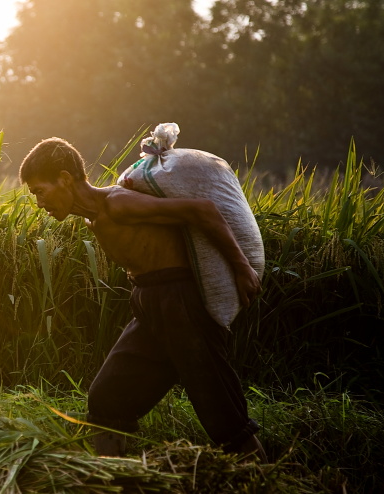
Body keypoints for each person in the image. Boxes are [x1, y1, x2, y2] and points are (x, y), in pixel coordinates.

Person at [19, 137, 267, 461]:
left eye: (40, 191)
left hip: (180, 303)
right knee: (107, 400)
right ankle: (113, 480)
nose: (39, 202)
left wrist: (241, 268)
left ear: (65, 179)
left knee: (222, 414)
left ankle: (267, 478)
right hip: (149, 303)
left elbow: (200, 210)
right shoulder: (93, 216)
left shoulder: (117, 204)